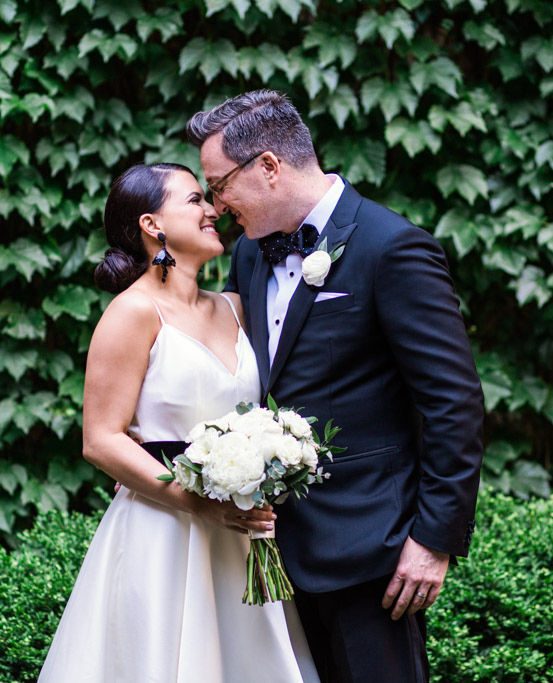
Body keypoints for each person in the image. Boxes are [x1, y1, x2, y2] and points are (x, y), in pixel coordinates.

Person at [186, 90, 485, 683]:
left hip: (372, 553)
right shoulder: (247, 254)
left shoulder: (392, 247)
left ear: (268, 166)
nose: (216, 206)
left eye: (219, 186)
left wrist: (434, 540)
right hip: (272, 559)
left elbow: (454, 401)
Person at [36, 163, 319, 682]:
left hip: (241, 534)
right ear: (153, 224)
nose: (213, 210)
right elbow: (100, 440)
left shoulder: (235, 307)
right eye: (195, 200)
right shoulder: (133, 312)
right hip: (163, 529)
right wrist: (197, 503)